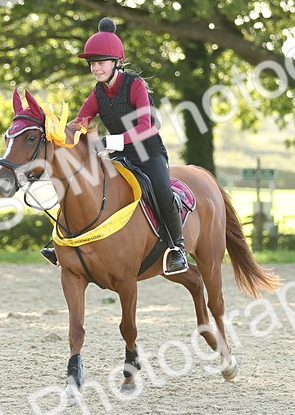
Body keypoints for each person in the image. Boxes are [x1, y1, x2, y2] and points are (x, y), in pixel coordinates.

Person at [40, 18, 189, 275]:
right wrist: (55, 131)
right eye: (92, 64)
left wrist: (110, 141)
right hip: (120, 156)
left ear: (116, 62)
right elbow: (80, 123)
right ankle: (64, 242)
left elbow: (147, 126)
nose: (95, 68)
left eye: (100, 63)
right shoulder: (98, 93)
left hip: (148, 152)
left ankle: (178, 248)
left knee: (162, 189)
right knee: (79, 182)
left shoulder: (135, 85)